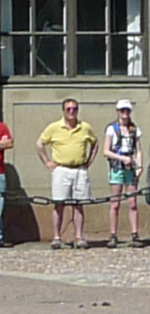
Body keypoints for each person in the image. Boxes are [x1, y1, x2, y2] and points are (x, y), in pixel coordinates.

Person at [36, 99, 99, 250]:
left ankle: (79, 236)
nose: (71, 112)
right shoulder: (54, 127)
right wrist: (47, 162)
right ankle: (57, 237)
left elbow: (95, 143)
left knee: (78, 206)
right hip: (61, 169)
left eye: (74, 109)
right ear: (63, 111)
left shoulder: (85, 127)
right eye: (68, 109)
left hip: (79, 169)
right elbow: (40, 143)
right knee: (59, 204)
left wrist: (89, 161)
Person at [103, 100, 144, 249]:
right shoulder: (111, 129)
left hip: (130, 168)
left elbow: (138, 150)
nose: (125, 113)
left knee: (132, 203)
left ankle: (135, 233)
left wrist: (139, 166)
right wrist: (121, 158)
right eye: (122, 111)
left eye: (127, 110)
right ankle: (113, 234)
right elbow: (106, 151)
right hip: (117, 167)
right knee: (115, 203)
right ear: (118, 112)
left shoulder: (134, 130)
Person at [0, 119, 13, 248]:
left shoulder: (2, 127)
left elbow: (9, 143)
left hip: (0, 173)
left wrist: (3, 144)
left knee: (0, 206)